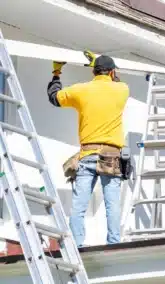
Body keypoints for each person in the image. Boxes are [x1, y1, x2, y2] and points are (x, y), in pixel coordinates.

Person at [47, 54, 130, 246]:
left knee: (79, 205)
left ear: (93, 71)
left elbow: (54, 98)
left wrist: (56, 72)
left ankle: (76, 244)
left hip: (87, 155)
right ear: (111, 71)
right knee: (112, 204)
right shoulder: (122, 89)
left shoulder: (81, 90)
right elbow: (115, 80)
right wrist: (100, 65)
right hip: (111, 156)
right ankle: (114, 243)